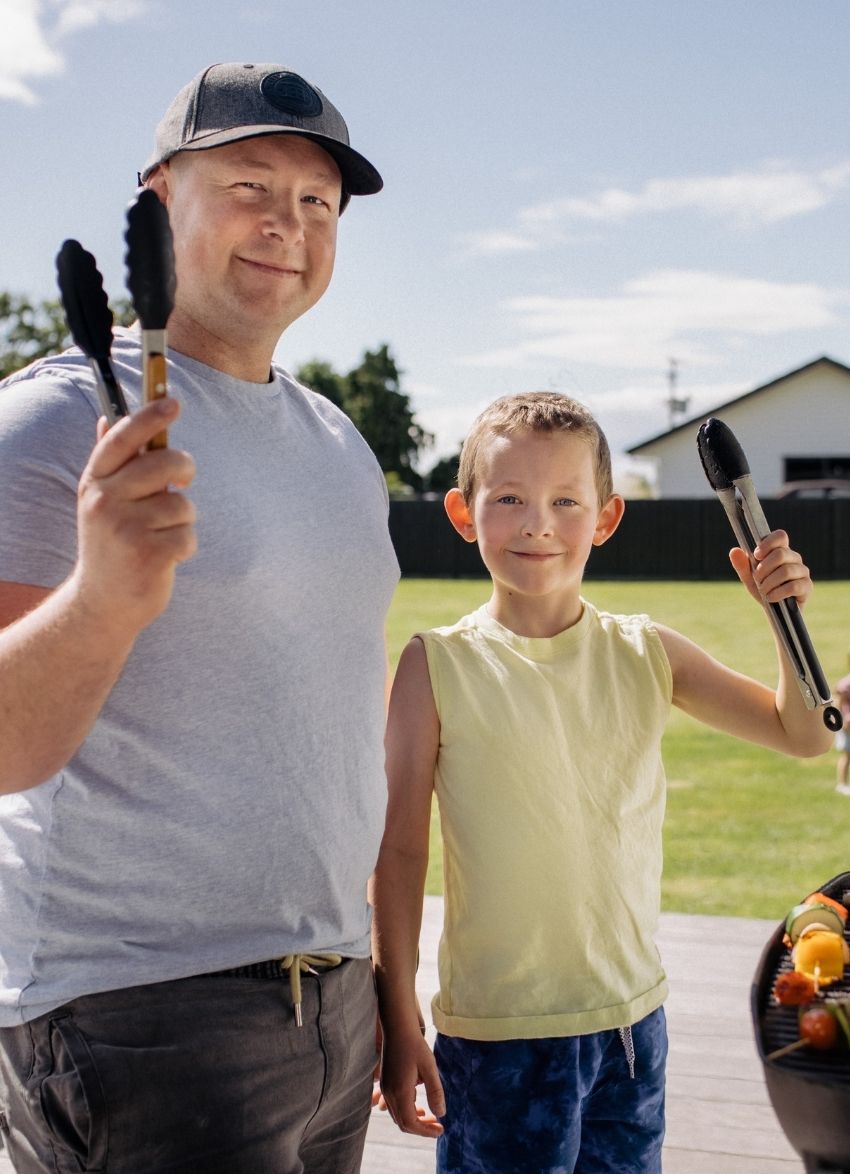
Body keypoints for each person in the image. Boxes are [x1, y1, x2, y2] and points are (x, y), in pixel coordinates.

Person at [0, 63, 399, 1173]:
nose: (288, 224)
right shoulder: (55, 419)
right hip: (137, 1018)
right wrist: (102, 599)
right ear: (158, 196)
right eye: (251, 185)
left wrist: (375, 969)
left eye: (317, 203)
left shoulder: (339, 446)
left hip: (329, 998)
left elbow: (336, 720)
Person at [372, 391, 833, 1174]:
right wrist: (396, 1011)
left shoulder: (646, 651)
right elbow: (400, 852)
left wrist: (778, 615)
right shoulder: (433, 664)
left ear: (607, 518)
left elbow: (802, 733)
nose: (537, 524)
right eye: (509, 498)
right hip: (497, 1037)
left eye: (564, 501)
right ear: (462, 511)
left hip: (631, 1029)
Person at [834, 660, 850, 795]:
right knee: (847, 755)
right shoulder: (846, 684)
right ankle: (842, 784)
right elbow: (840, 704)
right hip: (847, 725)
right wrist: (843, 722)